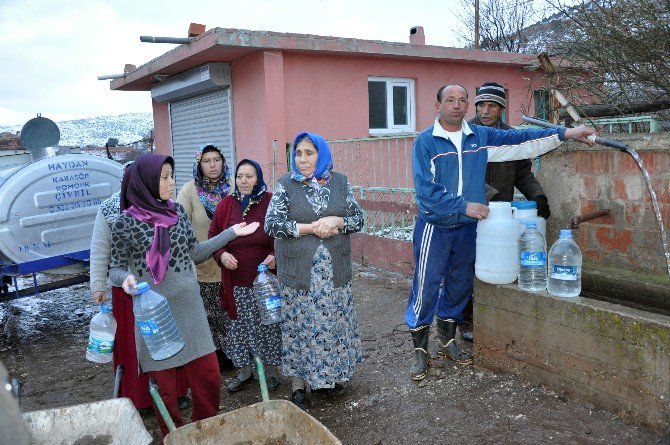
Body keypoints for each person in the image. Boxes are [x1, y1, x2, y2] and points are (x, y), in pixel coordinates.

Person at [406, 84, 596, 381]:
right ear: (438, 104)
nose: (457, 105)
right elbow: (426, 193)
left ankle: (446, 341)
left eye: (462, 100)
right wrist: (464, 205)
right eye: (450, 100)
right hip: (436, 226)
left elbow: (520, 140)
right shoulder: (427, 142)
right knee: (426, 284)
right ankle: (420, 351)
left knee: (459, 285)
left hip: (468, 228)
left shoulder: (478, 137)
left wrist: (565, 133)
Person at [107, 154, 259, 437]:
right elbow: (114, 268)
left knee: (209, 378)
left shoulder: (176, 211)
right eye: (164, 177)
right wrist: (124, 279)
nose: (170, 182)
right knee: (165, 391)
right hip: (156, 316)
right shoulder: (124, 224)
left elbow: (196, 252)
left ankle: (203, 432)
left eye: (171, 175)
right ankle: (174, 437)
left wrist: (231, 233)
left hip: (191, 311)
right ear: (146, 182)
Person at [265, 132, 364, 410]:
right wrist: (311, 228)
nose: (303, 159)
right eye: (298, 153)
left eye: (309, 153)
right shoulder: (286, 184)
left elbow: (359, 220)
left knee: (333, 324)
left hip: (334, 273)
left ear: (321, 154)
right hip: (299, 274)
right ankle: (299, 383)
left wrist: (338, 221)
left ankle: (332, 377)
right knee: (300, 327)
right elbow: (271, 225)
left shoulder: (341, 182)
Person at [459, 81, 552, 342]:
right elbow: (462, 175)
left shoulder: (510, 137)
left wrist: (537, 195)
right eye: (481, 105)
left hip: (499, 218)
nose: (485, 111)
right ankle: (466, 319)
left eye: (492, 106)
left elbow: (523, 172)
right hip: (467, 214)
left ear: (501, 109)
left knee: (498, 262)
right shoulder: (464, 135)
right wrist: (493, 197)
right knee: (467, 266)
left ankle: (494, 316)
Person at [208, 159, 281, 393]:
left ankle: (271, 372)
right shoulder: (226, 206)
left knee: (268, 325)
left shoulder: (270, 202)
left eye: (250, 176)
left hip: (265, 281)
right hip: (236, 283)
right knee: (239, 327)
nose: (244, 181)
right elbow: (213, 239)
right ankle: (245, 372)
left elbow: (282, 236)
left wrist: (274, 255)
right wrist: (222, 256)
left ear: (258, 177)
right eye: (240, 176)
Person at [176, 143, 233, 370]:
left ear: (223, 162)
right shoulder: (189, 191)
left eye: (216, 160)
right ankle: (213, 356)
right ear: (199, 165)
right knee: (208, 316)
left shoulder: (232, 187)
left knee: (229, 313)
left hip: (230, 265)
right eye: (207, 161)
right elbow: (179, 223)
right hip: (202, 268)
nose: (212, 165)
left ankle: (234, 354)